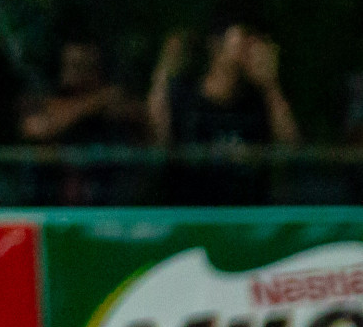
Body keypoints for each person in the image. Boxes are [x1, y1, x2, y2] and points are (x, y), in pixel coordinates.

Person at [149, 21, 301, 204]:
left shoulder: (258, 100)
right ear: (216, 46)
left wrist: (269, 84)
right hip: (193, 211)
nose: (249, 49)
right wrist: (164, 69)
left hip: (247, 214)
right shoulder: (186, 97)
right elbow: (156, 140)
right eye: (242, 41)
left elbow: (291, 145)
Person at [19, 39, 145, 205]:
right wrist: (96, 101)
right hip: (50, 201)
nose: (78, 73)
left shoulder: (112, 107)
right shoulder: (48, 100)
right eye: (73, 65)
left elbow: (146, 126)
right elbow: (38, 128)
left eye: (86, 66)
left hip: (105, 202)